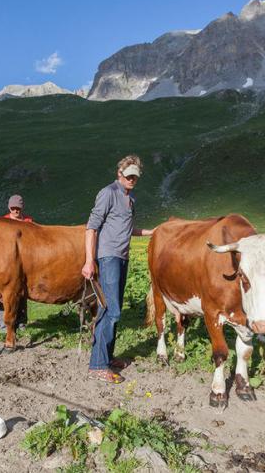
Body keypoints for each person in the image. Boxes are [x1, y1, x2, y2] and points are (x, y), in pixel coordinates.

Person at [82, 155, 154, 384]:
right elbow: (91, 228)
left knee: (114, 309)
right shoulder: (108, 193)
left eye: (136, 176)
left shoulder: (130, 199)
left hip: (122, 257)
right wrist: (89, 261)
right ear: (119, 173)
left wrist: (154, 232)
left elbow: (128, 229)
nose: (132, 179)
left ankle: (107, 357)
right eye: (129, 174)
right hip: (108, 257)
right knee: (110, 310)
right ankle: (97, 365)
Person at [0, 194, 33, 333]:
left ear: (22, 207)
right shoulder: (3, 222)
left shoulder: (28, 222)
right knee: (3, 295)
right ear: (9, 207)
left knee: (23, 293)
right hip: (5, 263)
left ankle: (21, 322)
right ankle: (3, 324)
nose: (15, 211)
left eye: (18, 208)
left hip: (25, 262)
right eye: (13, 208)